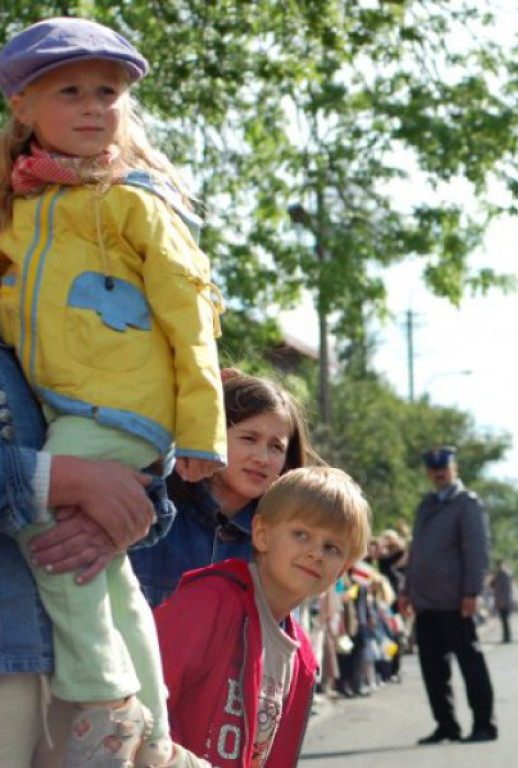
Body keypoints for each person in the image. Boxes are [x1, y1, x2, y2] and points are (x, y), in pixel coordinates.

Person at [0, 17, 227, 767]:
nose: (97, 106)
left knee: (53, 537)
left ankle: (106, 702)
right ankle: (154, 734)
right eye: (72, 90)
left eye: (110, 91)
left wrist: (199, 439)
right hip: (77, 416)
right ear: (23, 106)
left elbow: (191, 318)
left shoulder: (132, 201)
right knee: (105, 568)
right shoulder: (25, 213)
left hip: (116, 412)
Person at [0, 340, 162, 768]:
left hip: (90, 669)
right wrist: (61, 481)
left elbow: (154, 482)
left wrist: (119, 517)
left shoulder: (39, 309)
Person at [154, 466, 372, 767]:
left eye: (332, 547)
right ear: (262, 534)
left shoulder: (303, 659)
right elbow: (144, 696)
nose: (316, 553)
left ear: (343, 569)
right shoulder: (210, 602)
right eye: (301, 534)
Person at [128, 370, 315, 607]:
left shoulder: (278, 545)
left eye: (276, 447)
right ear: (211, 434)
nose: (263, 458)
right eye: (249, 438)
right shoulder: (151, 506)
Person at [399, 445, 498, 744]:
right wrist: (407, 591)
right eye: (433, 468)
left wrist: (471, 591)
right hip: (426, 602)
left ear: (454, 469)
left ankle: (484, 725)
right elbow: (416, 553)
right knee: (432, 668)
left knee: (470, 664)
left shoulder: (466, 503)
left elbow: (477, 552)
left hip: (456, 601)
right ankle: (447, 725)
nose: (438, 472)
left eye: (444, 467)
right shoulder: (426, 504)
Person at [490, 559, 513, 643]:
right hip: (499, 601)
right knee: (503, 620)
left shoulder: (505, 575)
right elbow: (491, 585)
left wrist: (503, 601)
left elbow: (506, 590)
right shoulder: (498, 575)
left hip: (504, 601)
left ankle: (507, 638)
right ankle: (505, 637)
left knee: (505, 620)